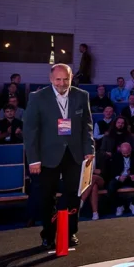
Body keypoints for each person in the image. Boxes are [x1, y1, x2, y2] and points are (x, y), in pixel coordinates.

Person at [23, 64, 94, 250]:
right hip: (47, 157)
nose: (62, 83)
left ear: (71, 78)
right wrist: (33, 159)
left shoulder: (82, 95)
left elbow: (87, 126)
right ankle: (48, 234)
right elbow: (30, 131)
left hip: (74, 155)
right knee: (46, 198)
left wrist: (89, 149)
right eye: (58, 79)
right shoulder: (37, 97)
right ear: (50, 79)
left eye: (66, 79)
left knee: (74, 196)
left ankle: (70, 233)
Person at [108, 142, 134, 216]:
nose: (125, 155)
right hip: (120, 177)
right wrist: (118, 177)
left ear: (130, 150)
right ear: (120, 150)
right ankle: (119, 205)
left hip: (131, 177)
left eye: (127, 153)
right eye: (124, 153)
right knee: (111, 186)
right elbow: (111, 170)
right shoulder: (115, 156)